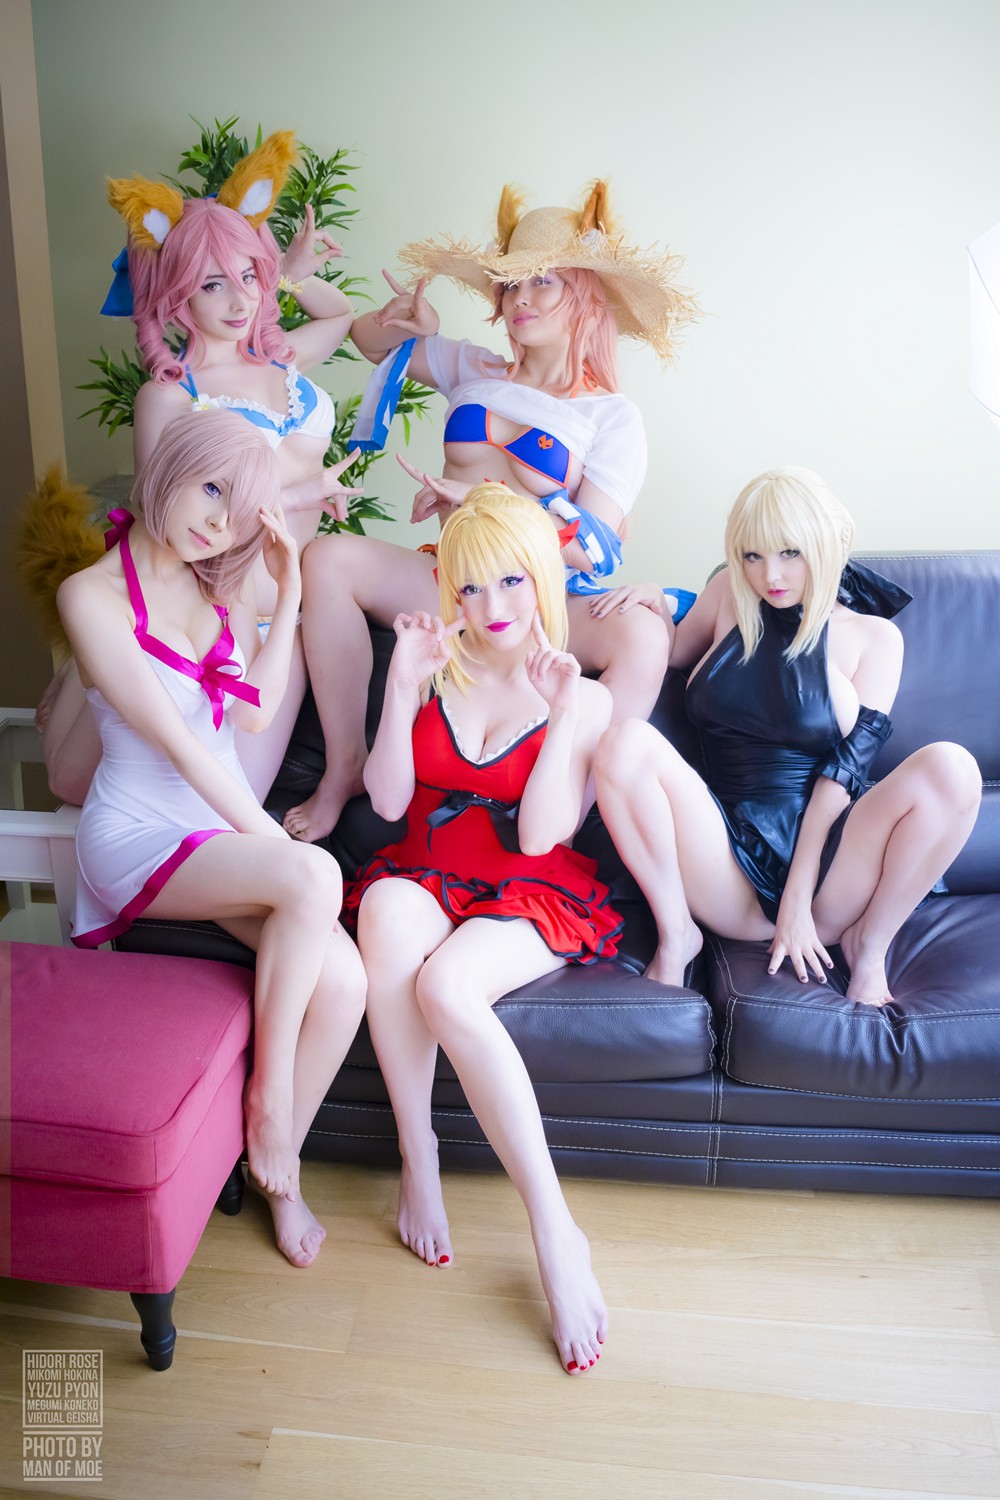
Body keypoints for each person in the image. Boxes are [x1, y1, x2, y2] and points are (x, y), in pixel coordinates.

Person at [283, 180, 699, 842]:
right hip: (456, 584)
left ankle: (576, 812)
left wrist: (485, 502)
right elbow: (367, 344)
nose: (520, 299)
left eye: (542, 282)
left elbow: (596, 548)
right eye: (510, 286)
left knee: (645, 635)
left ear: (586, 295)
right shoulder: (470, 367)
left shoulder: (611, 417)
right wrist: (400, 321)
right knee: (328, 558)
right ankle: (344, 767)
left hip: (544, 601)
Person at [57, 409, 366, 1268]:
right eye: (210, 488)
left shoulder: (215, 587)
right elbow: (182, 748)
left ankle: (273, 1169)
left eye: (238, 510)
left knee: (345, 983)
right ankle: (269, 1108)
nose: (218, 522)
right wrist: (285, 853)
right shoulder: (90, 595)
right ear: (173, 468)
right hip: (137, 834)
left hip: (208, 832)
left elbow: (254, 714)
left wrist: (289, 593)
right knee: (313, 879)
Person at [344, 483, 620, 1374]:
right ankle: (417, 1155)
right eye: (468, 587)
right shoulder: (435, 662)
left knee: (446, 985)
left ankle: (555, 1229)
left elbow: (541, 837)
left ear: (541, 578)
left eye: (510, 582)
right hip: (427, 869)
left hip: (528, 890)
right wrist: (400, 685)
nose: (491, 606)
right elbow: (389, 802)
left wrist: (564, 713)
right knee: (383, 911)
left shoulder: (578, 692)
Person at [43, 131, 360, 805]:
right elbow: (160, 519)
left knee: (236, 798)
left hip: (280, 615)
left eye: (248, 276)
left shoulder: (282, 360)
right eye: (214, 284)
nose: (241, 301)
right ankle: (85, 666)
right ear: (176, 295)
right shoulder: (169, 396)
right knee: (71, 781)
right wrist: (300, 493)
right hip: (203, 612)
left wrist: (290, 270)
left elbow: (341, 316)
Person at [594, 467, 982, 1003]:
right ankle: (677, 934)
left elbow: (845, 773)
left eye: (789, 553)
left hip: (831, 872)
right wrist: (655, 601)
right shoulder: (729, 594)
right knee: (623, 741)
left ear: (824, 544)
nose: (769, 575)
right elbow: (672, 651)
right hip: (726, 862)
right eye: (752, 555)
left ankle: (869, 945)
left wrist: (799, 897)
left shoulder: (874, 639)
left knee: (953, 767)